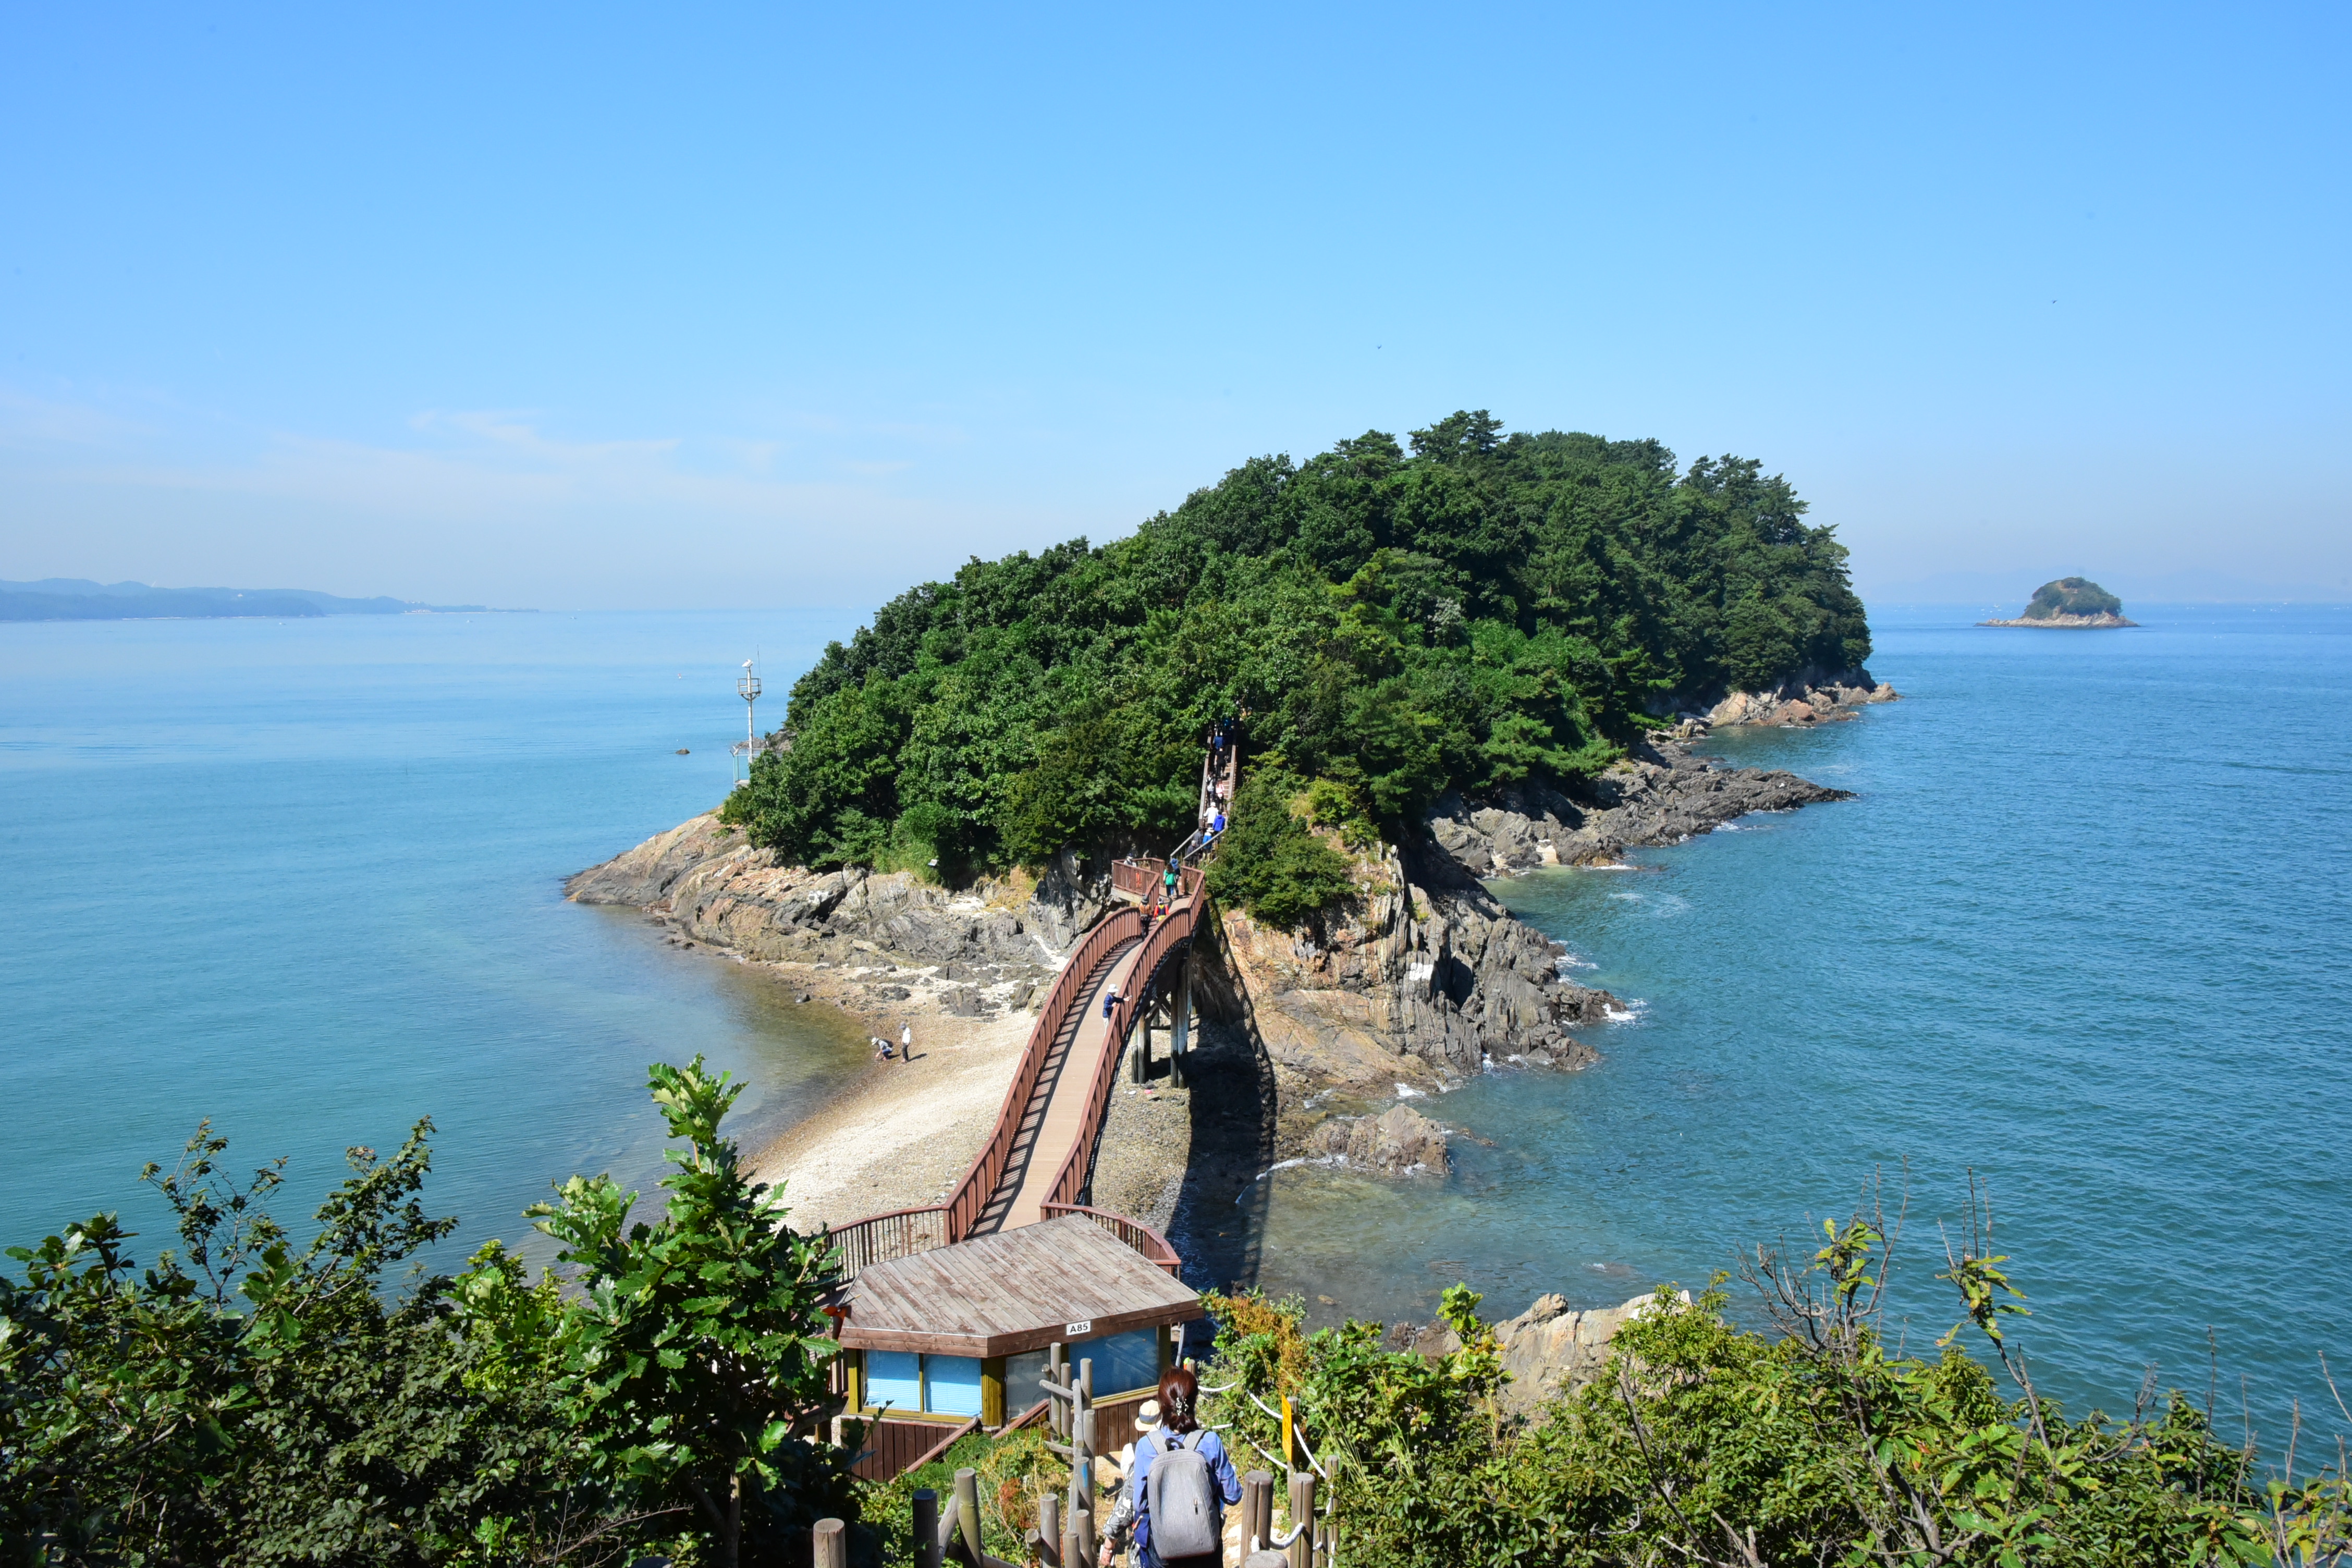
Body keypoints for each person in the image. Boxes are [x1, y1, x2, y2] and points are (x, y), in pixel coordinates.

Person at [1122, 1366, 1239, 1568]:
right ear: (1195, 1402)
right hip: (1205, 1549)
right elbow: (1233, 1496)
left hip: (1162, 1551)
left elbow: (1140, 1505)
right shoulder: (1210, 1442)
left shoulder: (1146, 1447)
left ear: (1162, 1405)